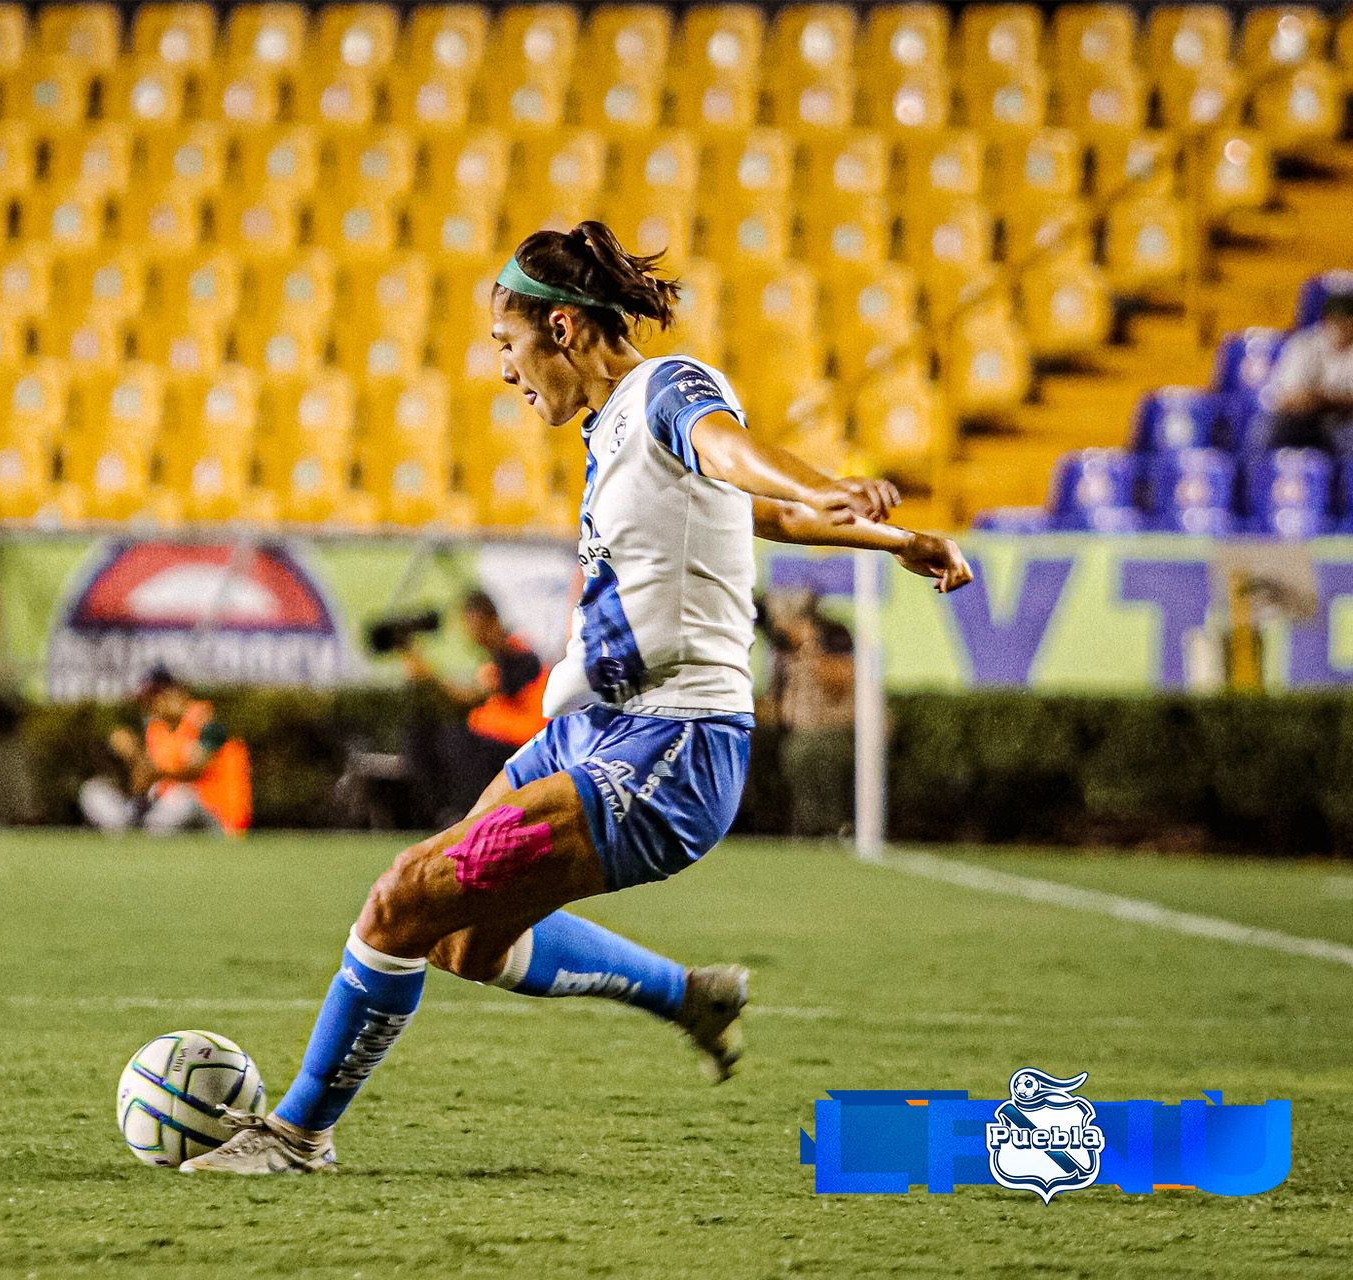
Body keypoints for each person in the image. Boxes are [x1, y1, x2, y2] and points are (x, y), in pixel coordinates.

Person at [183, 222, 972, 1174]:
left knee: (399, 897)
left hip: (666, 751)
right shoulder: (614, 431)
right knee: (461, 943)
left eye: (505, 346)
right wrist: (895, 540)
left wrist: (837, 485)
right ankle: (689, 995)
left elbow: (736, 459)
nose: (506, 373)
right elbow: (761, 512)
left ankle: (297, 1135)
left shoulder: (669, 389)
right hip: (590, 731)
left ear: (560, 328)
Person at [399, 589, 550, 828]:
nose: (470, 633)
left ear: (488, 620)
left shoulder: (515, 652)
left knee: (455, 741)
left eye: (472, 623)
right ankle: (440, 813)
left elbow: (468, 696)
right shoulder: (497, 658)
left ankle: (465, 814)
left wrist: (427, 676)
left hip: (520, 742)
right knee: (423, 733)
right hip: (498, 740)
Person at [80, 665, 251, 836]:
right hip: (163, 809)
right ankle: (128, 831)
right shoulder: (157, 728)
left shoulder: (206, 720)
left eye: (155, 697)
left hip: (214, 816)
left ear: (175, 692)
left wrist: (155, 772)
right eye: (147, 700)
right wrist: (133, 754)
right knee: (93, 790)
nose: (150, 705)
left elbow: (196, 768)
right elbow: (144, 781)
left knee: (181, 797)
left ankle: (139, 832)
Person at [760, 591, 856, 838]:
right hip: (800, 729)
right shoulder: (783, 651)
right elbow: (778, 702)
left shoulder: (833, 636)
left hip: (838, 725)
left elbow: (838, 686)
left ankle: (829, 826)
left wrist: (809, 647)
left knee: (805, 750)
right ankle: (793, 826)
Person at [1259, 291, 1353, 455]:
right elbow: (1287, 398)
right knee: (1263, 428)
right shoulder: (1304, 343)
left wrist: (1319, 398)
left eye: (1347, 320)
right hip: (1300, 419)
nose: (1341, 325)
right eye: (1336, 319)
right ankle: (1256, 478)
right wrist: (1331, 399)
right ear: (1326, 321)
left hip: (1343, 422)